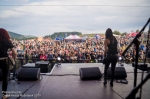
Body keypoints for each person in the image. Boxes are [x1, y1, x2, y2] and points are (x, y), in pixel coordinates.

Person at [0, 28, 17, 99]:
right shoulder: (7, 41)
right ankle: (4, 95)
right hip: (4, 61)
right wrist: (14, 60)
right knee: (5, 78)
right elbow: (15, 53)